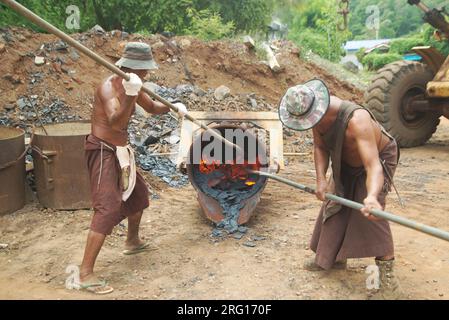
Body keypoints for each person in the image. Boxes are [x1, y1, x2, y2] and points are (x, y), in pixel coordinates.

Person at [79, 42, 187, 294]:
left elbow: (151, 107)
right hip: (103, 150)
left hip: (121, 151)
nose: (147, 74)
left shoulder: (134, 83)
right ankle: (85, 273)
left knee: (138, 196)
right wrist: (130, 93)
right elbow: (116, 121)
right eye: (144, 70)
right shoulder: (108, 87)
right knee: (107, 208)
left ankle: (132, 241)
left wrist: (174, 107)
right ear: (132, 67)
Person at [279, 79, 402, 299]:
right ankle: (332, 258)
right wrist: (320, 180)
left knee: (372, 215)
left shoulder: (357, 120)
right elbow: (319, 146)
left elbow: (372, 165)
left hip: (376, 160)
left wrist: (373, 196)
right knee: (335, 202)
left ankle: (387, 278)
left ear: (320, 108)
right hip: (344, 158)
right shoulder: (317, 119)